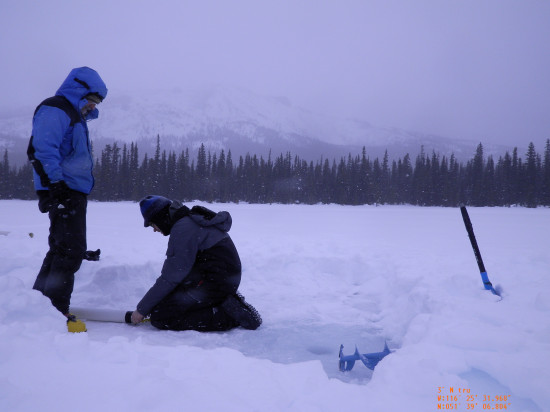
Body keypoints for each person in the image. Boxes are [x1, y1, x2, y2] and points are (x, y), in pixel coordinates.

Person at [28, 67, 108, 333]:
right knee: (70, 250)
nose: (92, 106)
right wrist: (56, 185)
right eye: (92, 99)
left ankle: (39, 306)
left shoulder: (74, 114)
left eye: (96, 103)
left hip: (72, 191)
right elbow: (43, 149)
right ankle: (57, 311)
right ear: (79, 90)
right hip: (63, 189)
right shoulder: (56, 108)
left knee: (61, 249)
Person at [130, 195, 262, 331]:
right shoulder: (189, 221)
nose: (154, 229)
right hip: (219, 278)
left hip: (216, 282)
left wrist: (141, 310)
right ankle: (223, 301)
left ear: (160, 218)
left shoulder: (183, 229)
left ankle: (228, 316)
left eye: (152, 224)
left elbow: (171, 277)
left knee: (161, 316)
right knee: (163, 304)